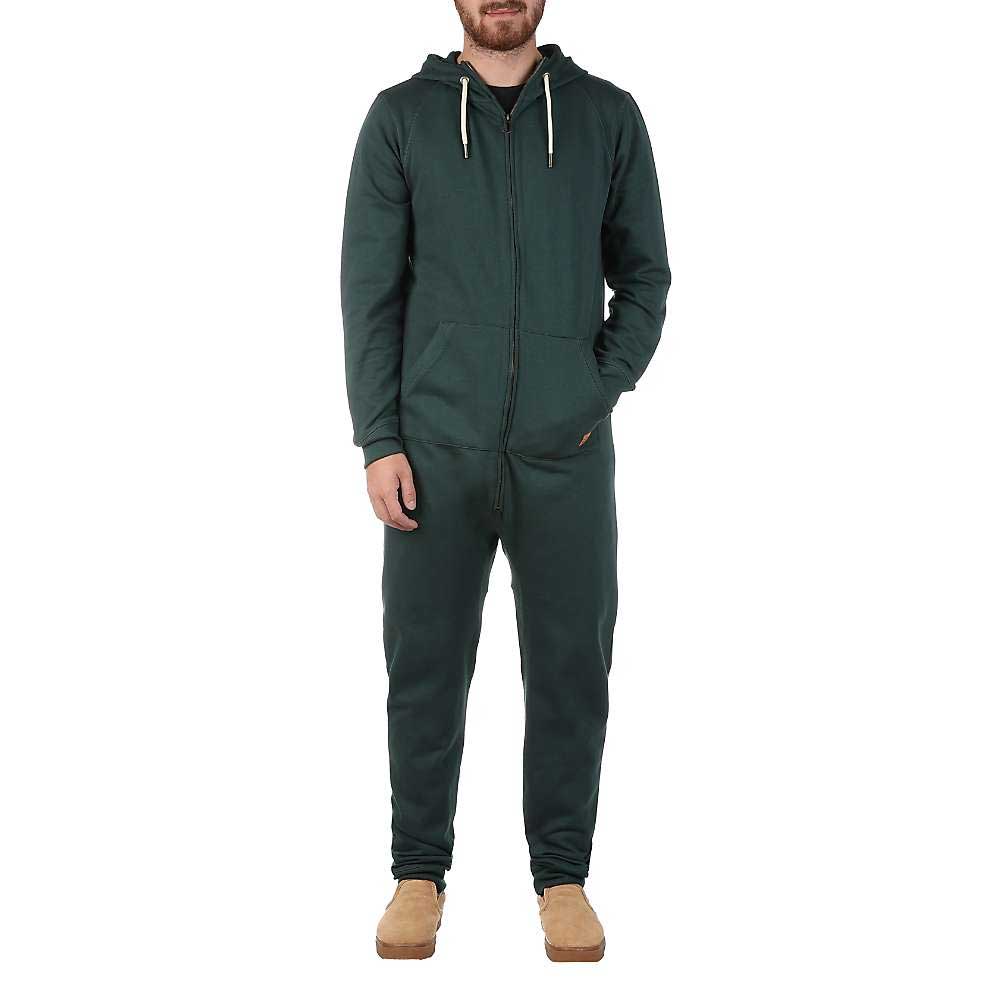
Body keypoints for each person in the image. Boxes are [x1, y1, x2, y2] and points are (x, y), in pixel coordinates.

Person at [342, 0, 670, 962]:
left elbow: (646, 280)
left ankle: (563, 878)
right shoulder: (400, 119)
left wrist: (588, 393)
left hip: (567, 455)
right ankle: (417, 873)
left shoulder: (608, 117)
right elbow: (369, 294)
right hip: (432, 451)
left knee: (571, 667)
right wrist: (380, 439)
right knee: (424, 666)